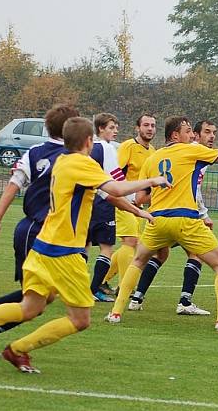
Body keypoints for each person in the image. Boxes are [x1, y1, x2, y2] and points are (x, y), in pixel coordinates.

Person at [0, 117, 165, 373]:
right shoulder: (81, 163)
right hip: (64, 253)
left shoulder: (63, 161)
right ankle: (19, 348)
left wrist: (136, 212)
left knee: (29, 307)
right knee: (80, 319)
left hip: (43, 246)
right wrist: (152, 181)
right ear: (89, 141)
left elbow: (107, 194)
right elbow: (116, 188)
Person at [104, 116, 218, 333]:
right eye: (188, 131)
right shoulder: (191, 150)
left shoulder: (152, 158)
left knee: (138, 260)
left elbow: (140, 197)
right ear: (175, 135)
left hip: (157, 220)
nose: (192, 135)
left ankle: (116, 313)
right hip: (186, 220)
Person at [0, 104, 79, 357]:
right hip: (42, 233)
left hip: (28, 230)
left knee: (43, 298)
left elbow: (13, 184)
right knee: (36, 302)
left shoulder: (34, 152)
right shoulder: (76, 159)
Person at [128, 120, 218, 316]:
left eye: (214, 132)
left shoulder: (169, 153)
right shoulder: (192, 153)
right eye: (206, 132)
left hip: (159, 217)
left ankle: (135, 298)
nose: (211, 136)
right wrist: (203, 214)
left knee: (159, 255)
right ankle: (185, 302)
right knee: (196, 253)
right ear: (194, 134)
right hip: (180, 215)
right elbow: (192, 190)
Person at [101, 114, 168, 296]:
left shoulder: (153, 150)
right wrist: (124, 194)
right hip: (122, 200)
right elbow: (116, 173)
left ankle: (101, 281)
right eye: (146, 125)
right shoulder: (128, 147)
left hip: (137, 204)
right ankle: (125, 288)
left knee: (132, 244)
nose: (150, 129)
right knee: (130, 241)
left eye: (153, 125)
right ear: (137, 128)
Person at [87, 113, 125, 302]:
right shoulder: (106, 148)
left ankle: (74, 287)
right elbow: (116, 176)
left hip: (84, 203)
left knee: (82, 246)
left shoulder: (88, 146)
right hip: (103, 201)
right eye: (111, 127)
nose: (115, 131)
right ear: (100, 128)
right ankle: (93, 290)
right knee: (106, 247)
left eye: (116, 127)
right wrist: (132, 196)